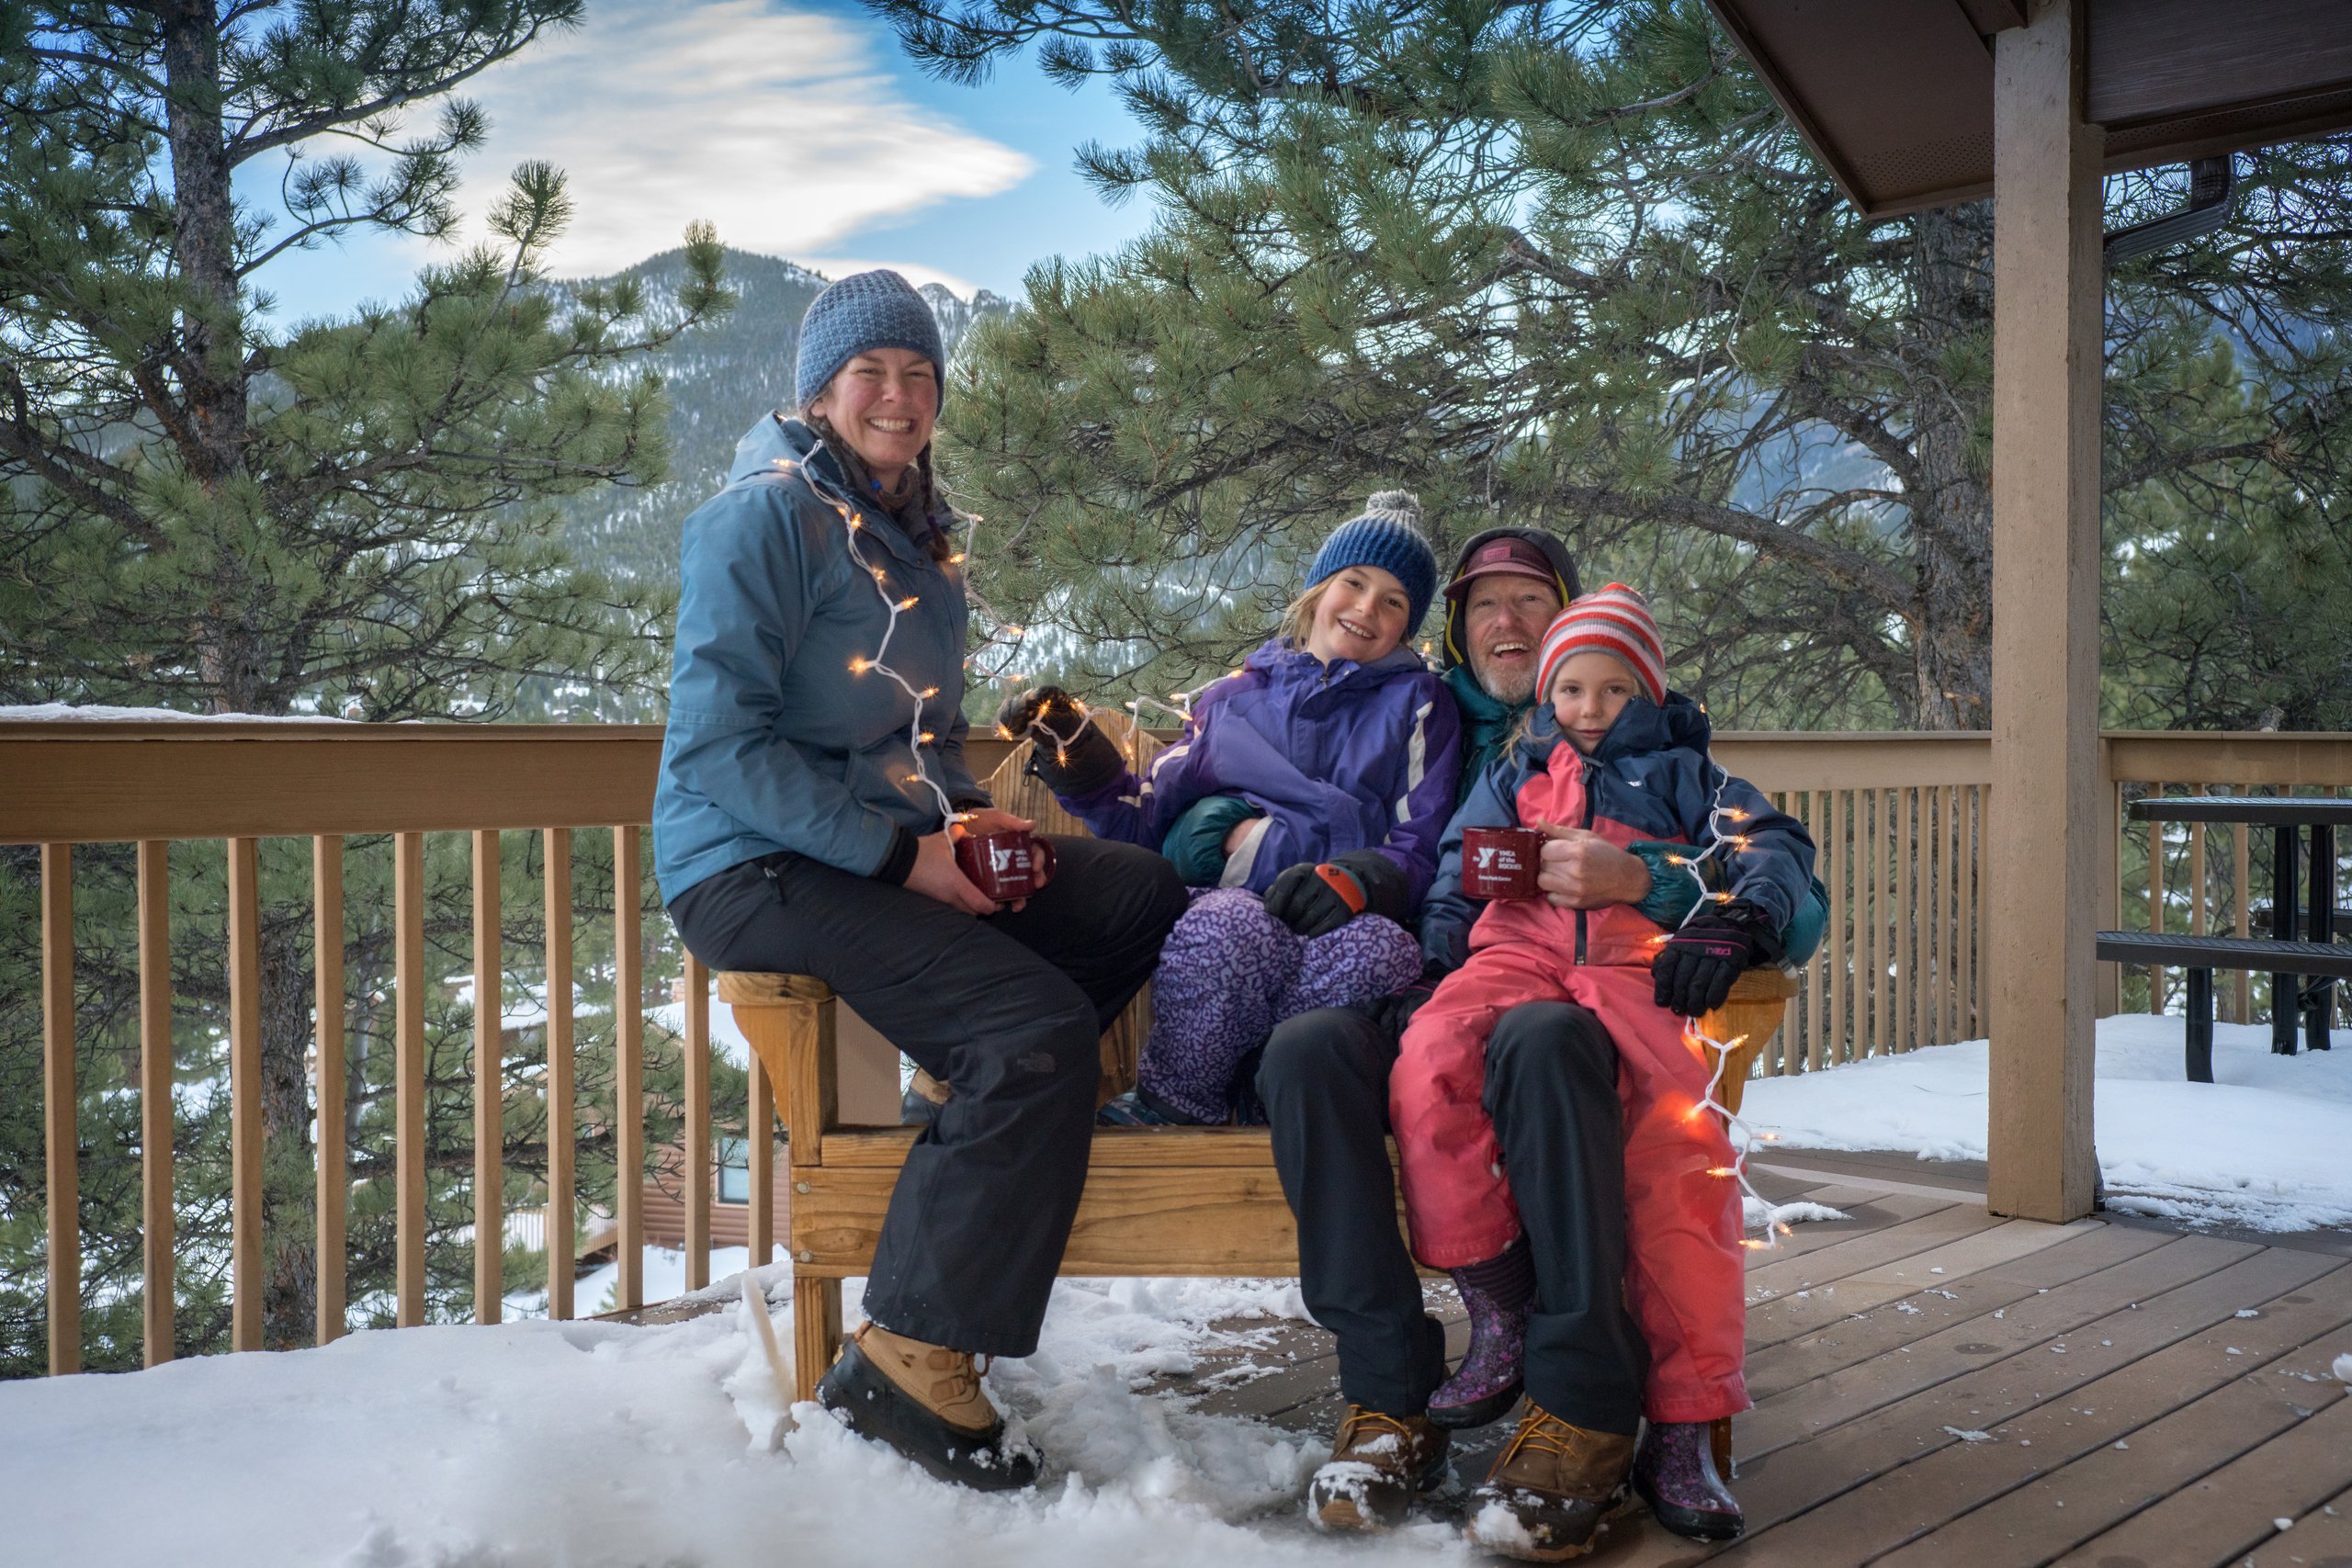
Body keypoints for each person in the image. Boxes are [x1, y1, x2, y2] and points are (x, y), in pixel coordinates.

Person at [652, 270, 1186, 1492]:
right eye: (870, 373)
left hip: (883, 840)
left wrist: (979, 822)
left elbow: (919, 743)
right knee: (1037, 1024)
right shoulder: (762, 520)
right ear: (823, 391)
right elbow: (719, 751)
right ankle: (907, 1354)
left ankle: (989, 1119)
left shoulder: (920, 540)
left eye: (917, 374)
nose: (896, 394)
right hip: (748, 859)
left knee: (1134, 891)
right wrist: (908, 858)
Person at [1262, 532, 1827, 1549]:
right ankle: (1417, 1375)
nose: (1509, 625)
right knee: (1326, 1055)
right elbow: (1434, 868)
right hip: (1477, 973)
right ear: (1458, 628)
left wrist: (1688, 899)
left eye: (1532, 602)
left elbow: (1778, 865)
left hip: (1602, 994)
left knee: (1643, 1129)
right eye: (1488, 605)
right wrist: (1420, 959)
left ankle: (1634, 1412)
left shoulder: (1683, 771)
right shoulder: (1442, 725)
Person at [999, 493, 1462, 1124]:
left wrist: (1360, 879)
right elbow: (1148, 818)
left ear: (1407, 626)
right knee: (1224, 929)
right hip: (1233, 906)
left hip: (1343, 912)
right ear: (1319, 589)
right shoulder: (1232, 699)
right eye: (1353, 583)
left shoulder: (1420, 704)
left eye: (1393, 600)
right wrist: (1084, 764)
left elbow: (1419, 837)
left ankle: (1262, 1096)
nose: (1366, 608)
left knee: (1386, 955)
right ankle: (1177, 1104)